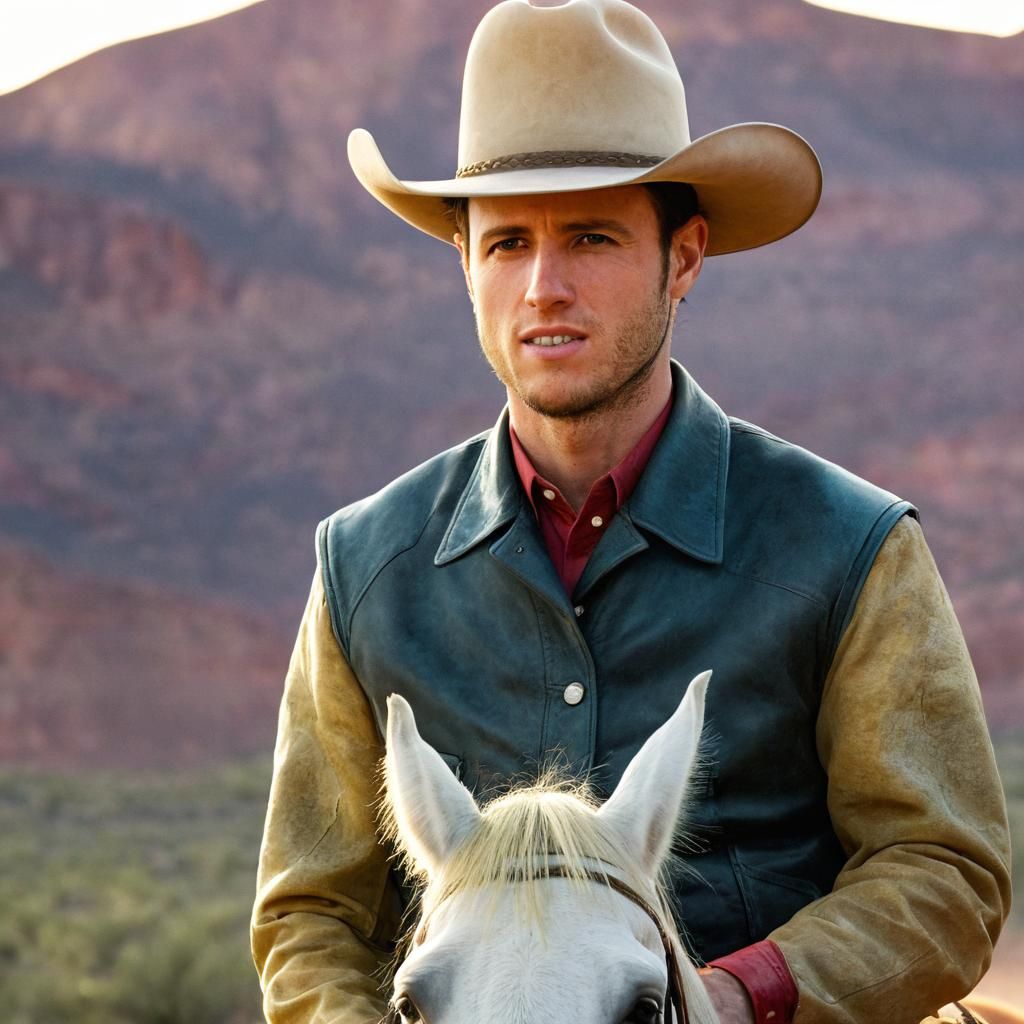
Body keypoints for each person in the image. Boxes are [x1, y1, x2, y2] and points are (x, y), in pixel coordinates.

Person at [251, 2, 1011, 1023]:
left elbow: (943, 872)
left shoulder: (848, 548)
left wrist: (739, 998)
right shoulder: (364, 569)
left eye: (593, 236)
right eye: (507, 242)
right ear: (464, 267)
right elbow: (309, 917)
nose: (544, 286)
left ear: (683, 258)